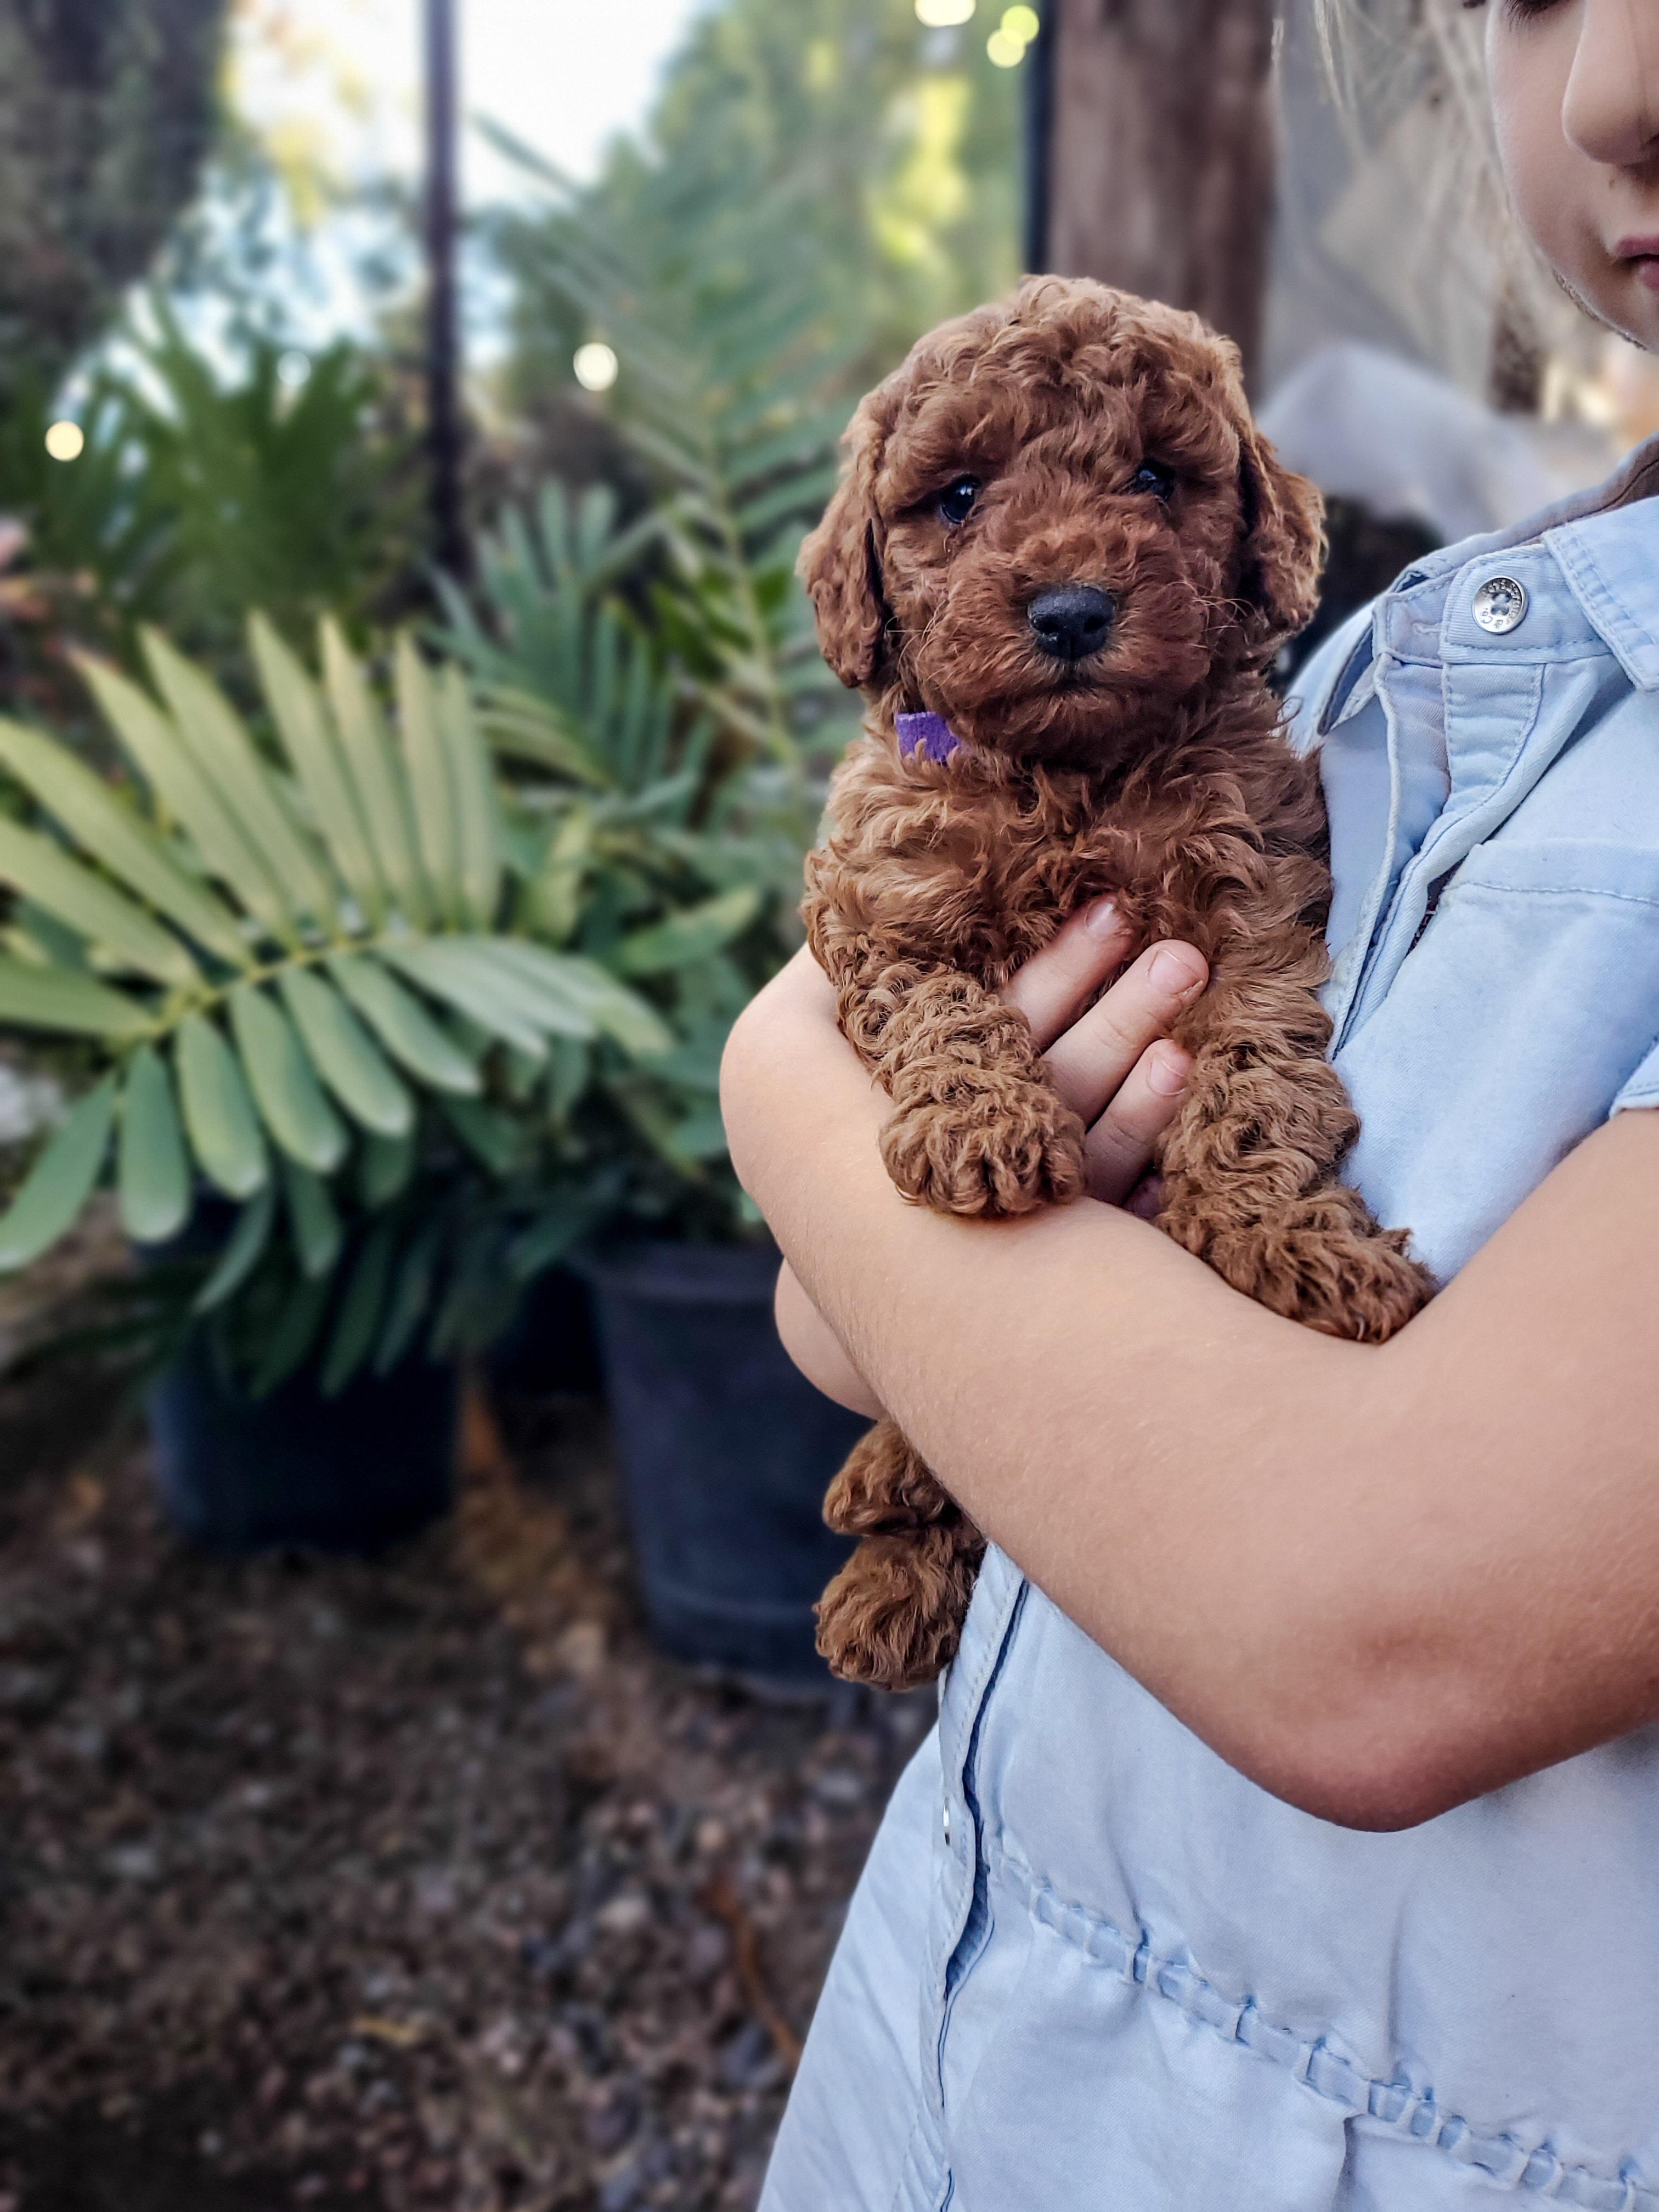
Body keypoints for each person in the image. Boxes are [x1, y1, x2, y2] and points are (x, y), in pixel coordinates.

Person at [723, 0, 1659, 2204]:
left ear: (1240, 520)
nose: (1614, 80)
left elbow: (1368, 1635)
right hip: (948, 2051)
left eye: (1153, 483)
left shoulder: (1281, 733)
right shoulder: (1385, 682)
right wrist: (877, 1217)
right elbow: (835, 1321)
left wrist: (783, 1085)